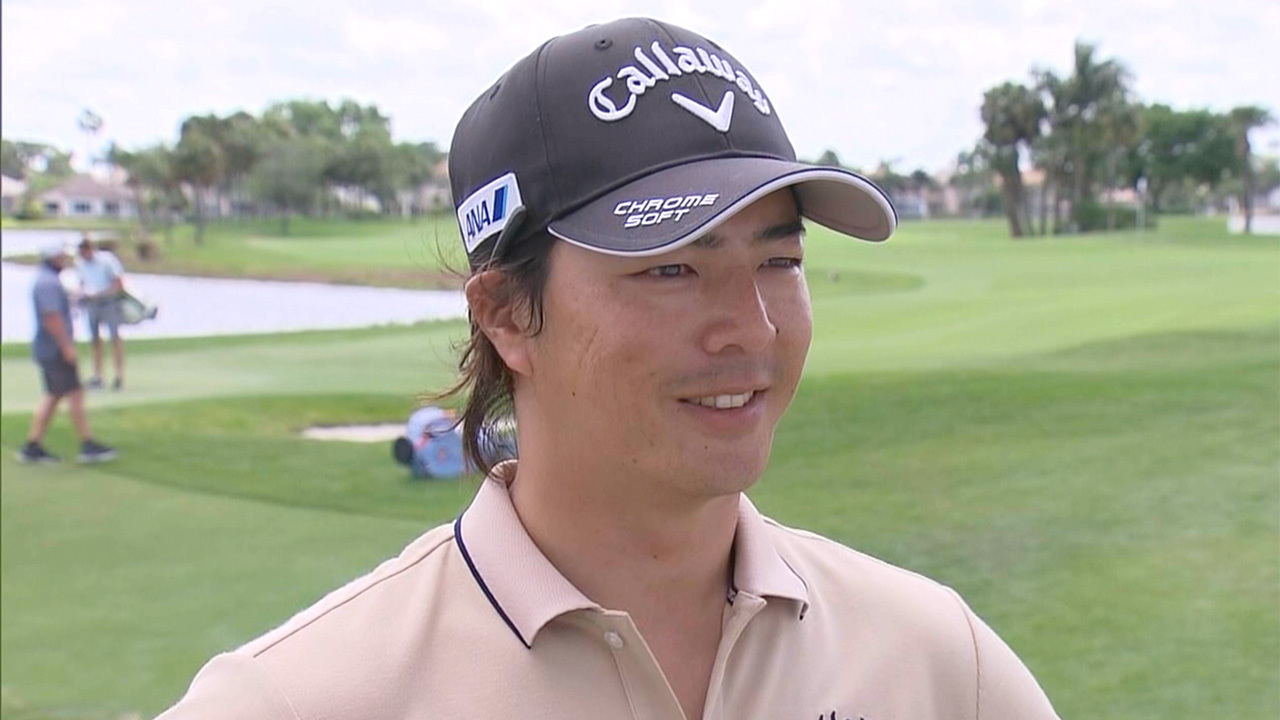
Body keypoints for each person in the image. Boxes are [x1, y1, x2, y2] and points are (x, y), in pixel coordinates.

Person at [157, 18, 1059, 719]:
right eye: (671, 269)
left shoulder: (936, 661)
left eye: (779, 260)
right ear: (506, 315)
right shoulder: (293, 701)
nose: (751, 328)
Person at [17, 241, 117, 464]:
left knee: (54, 395)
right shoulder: (48, 283)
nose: (65, 260)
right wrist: (66, 347)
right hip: (54, 349)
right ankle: (87, 444)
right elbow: (51, 318)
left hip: (49, 348)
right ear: (53, 258)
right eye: (62, 256)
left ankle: (33, 445)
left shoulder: (48, 280)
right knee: (74, 393)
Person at [75, 234, 127, 390]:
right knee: (95, 340)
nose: (83, 255)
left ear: (91, 249)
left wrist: (100, 294)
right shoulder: (80, 264)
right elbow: (82, 283)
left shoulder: (107, 260)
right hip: (91, 304)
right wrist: (80, 296)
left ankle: (119, 376)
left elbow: (119, 284)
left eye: (85, 251)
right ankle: (98, 376)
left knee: (114, 338)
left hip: (109, 302)